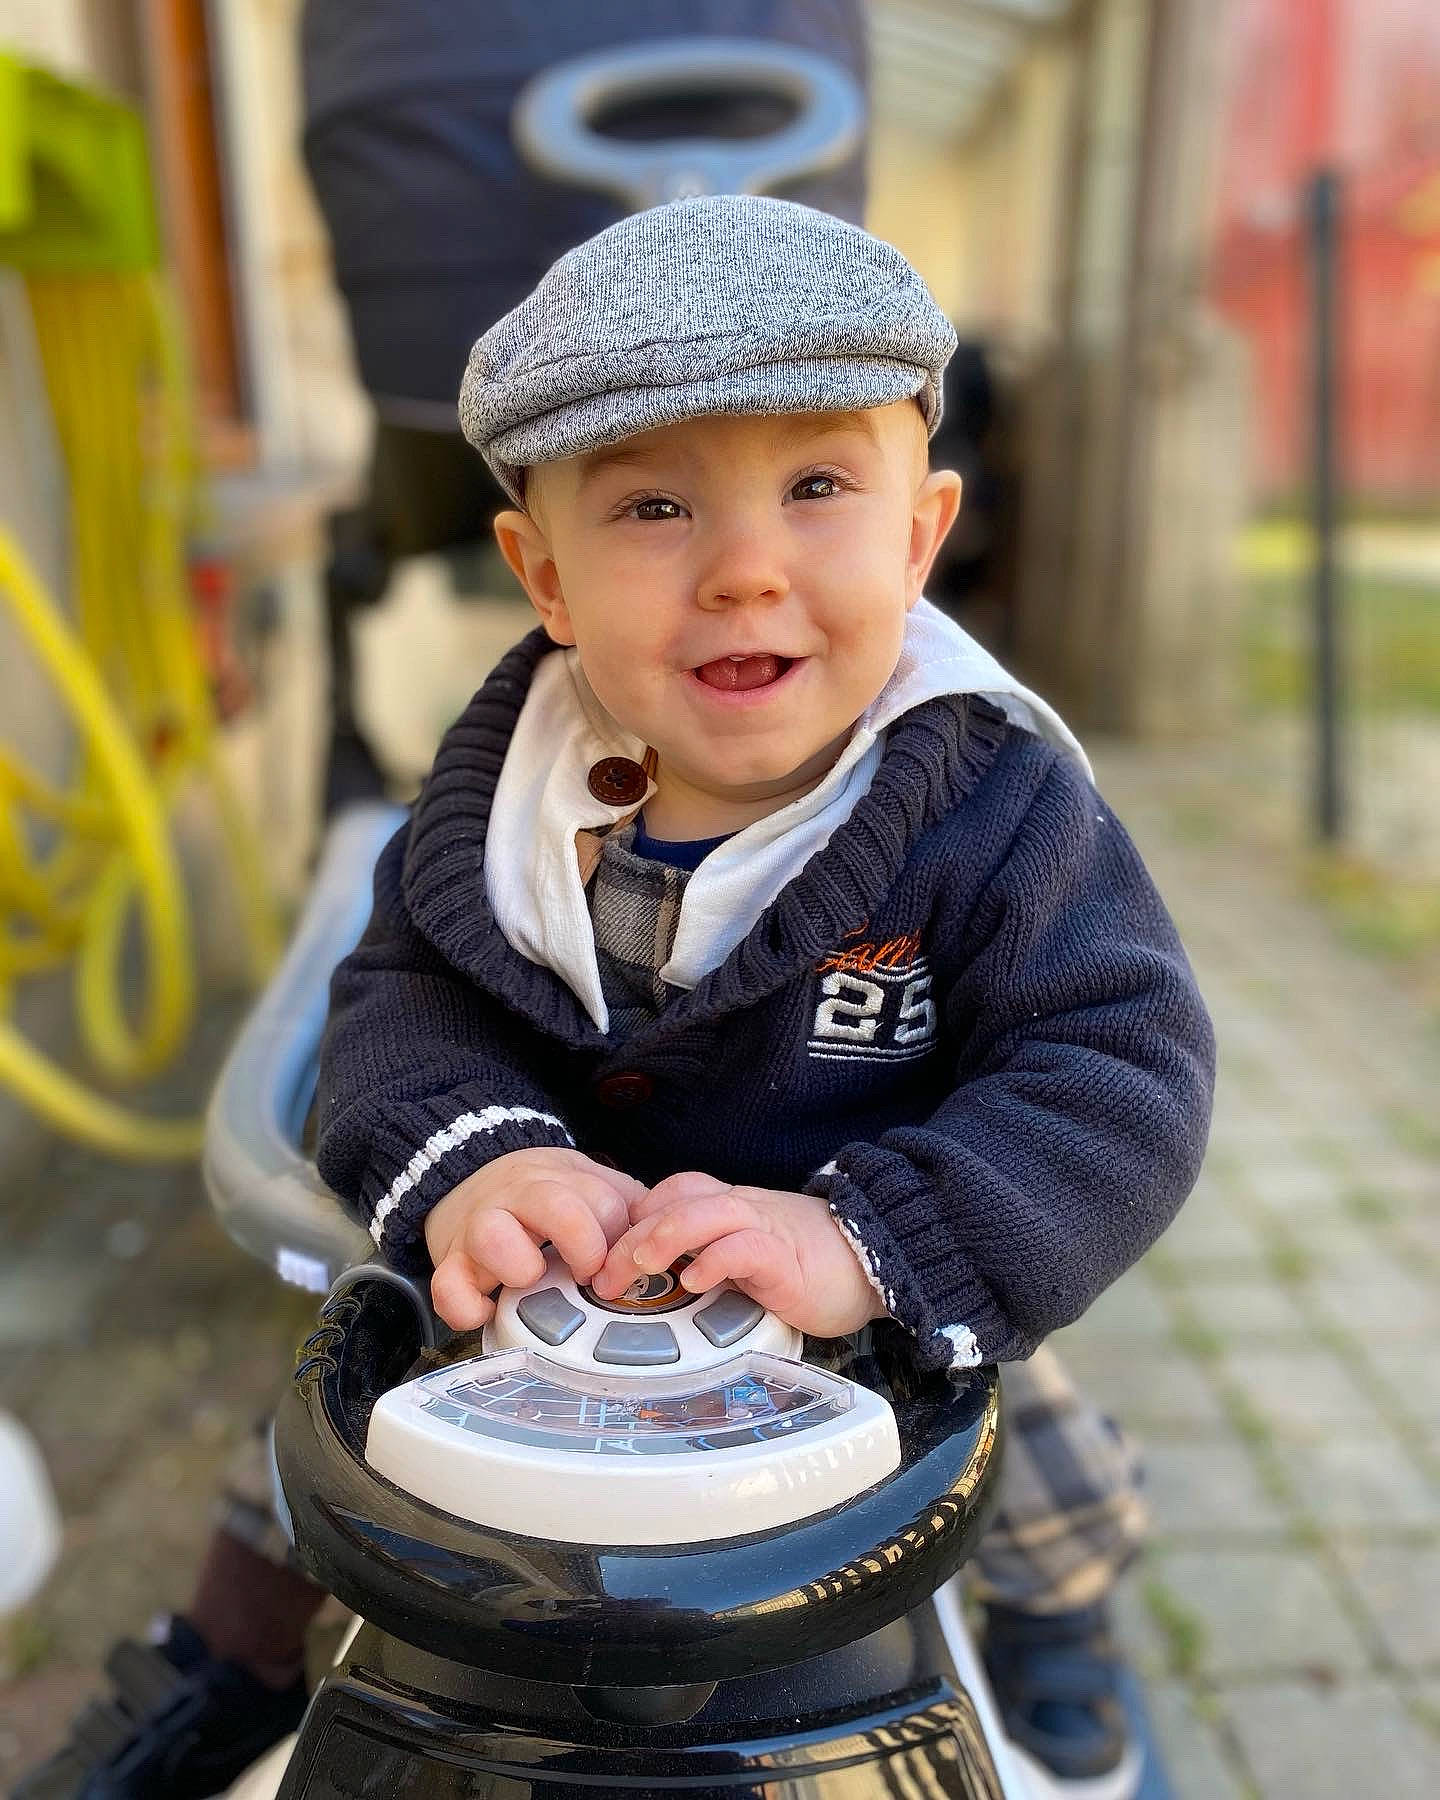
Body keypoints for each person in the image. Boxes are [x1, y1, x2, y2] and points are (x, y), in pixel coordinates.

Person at [314, 196, 1216, 1788]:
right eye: (655, 507)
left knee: (1044, 1486)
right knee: (322, 1452)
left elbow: (1118, 1067)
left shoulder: (992, 806)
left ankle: (1060, 1627)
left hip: (882, 1290)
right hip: (567, 1295)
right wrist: (481, 1165)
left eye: (816, 488)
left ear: (921, 537)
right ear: (543, 574)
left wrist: (877, 1242)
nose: (744, 571)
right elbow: (401, 1000)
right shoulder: (506, 799)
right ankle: (225, 1661)